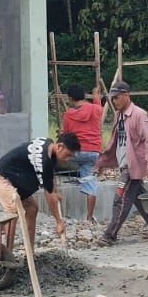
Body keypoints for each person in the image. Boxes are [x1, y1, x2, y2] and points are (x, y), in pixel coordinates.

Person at [92, 81, 148, 246]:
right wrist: (102, 162)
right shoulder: (119, 115)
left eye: (117, 98)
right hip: (125, 163)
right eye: (113, 98)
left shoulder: (139, 115)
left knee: (121, 199)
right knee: (138, 197)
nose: (114, 101)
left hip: (133, 166)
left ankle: (109, 234)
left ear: (126, 95)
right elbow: (114, 141)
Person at [0, 133, 79, 245]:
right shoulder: (44, 162)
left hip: (15, 179)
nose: (67, 159)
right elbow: (49, 196)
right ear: (60, 146)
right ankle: (7, 256)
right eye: (68, 155)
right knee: (13, 212)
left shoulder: (49, 144)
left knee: (32, 208)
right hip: (1, 177)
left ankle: (30, 254)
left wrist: (55, 191)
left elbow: (51, 174)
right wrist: (59, 222)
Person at [60, 84, 104, 224]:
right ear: (84, 96)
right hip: (94, 152)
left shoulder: (68, 114)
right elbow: (98, 106)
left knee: (54, 159)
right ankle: (89, 217)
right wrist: (96, 95)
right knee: (90, 183)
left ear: (71, 98)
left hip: (76, 153)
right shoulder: (95, 109)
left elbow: (67, 136)